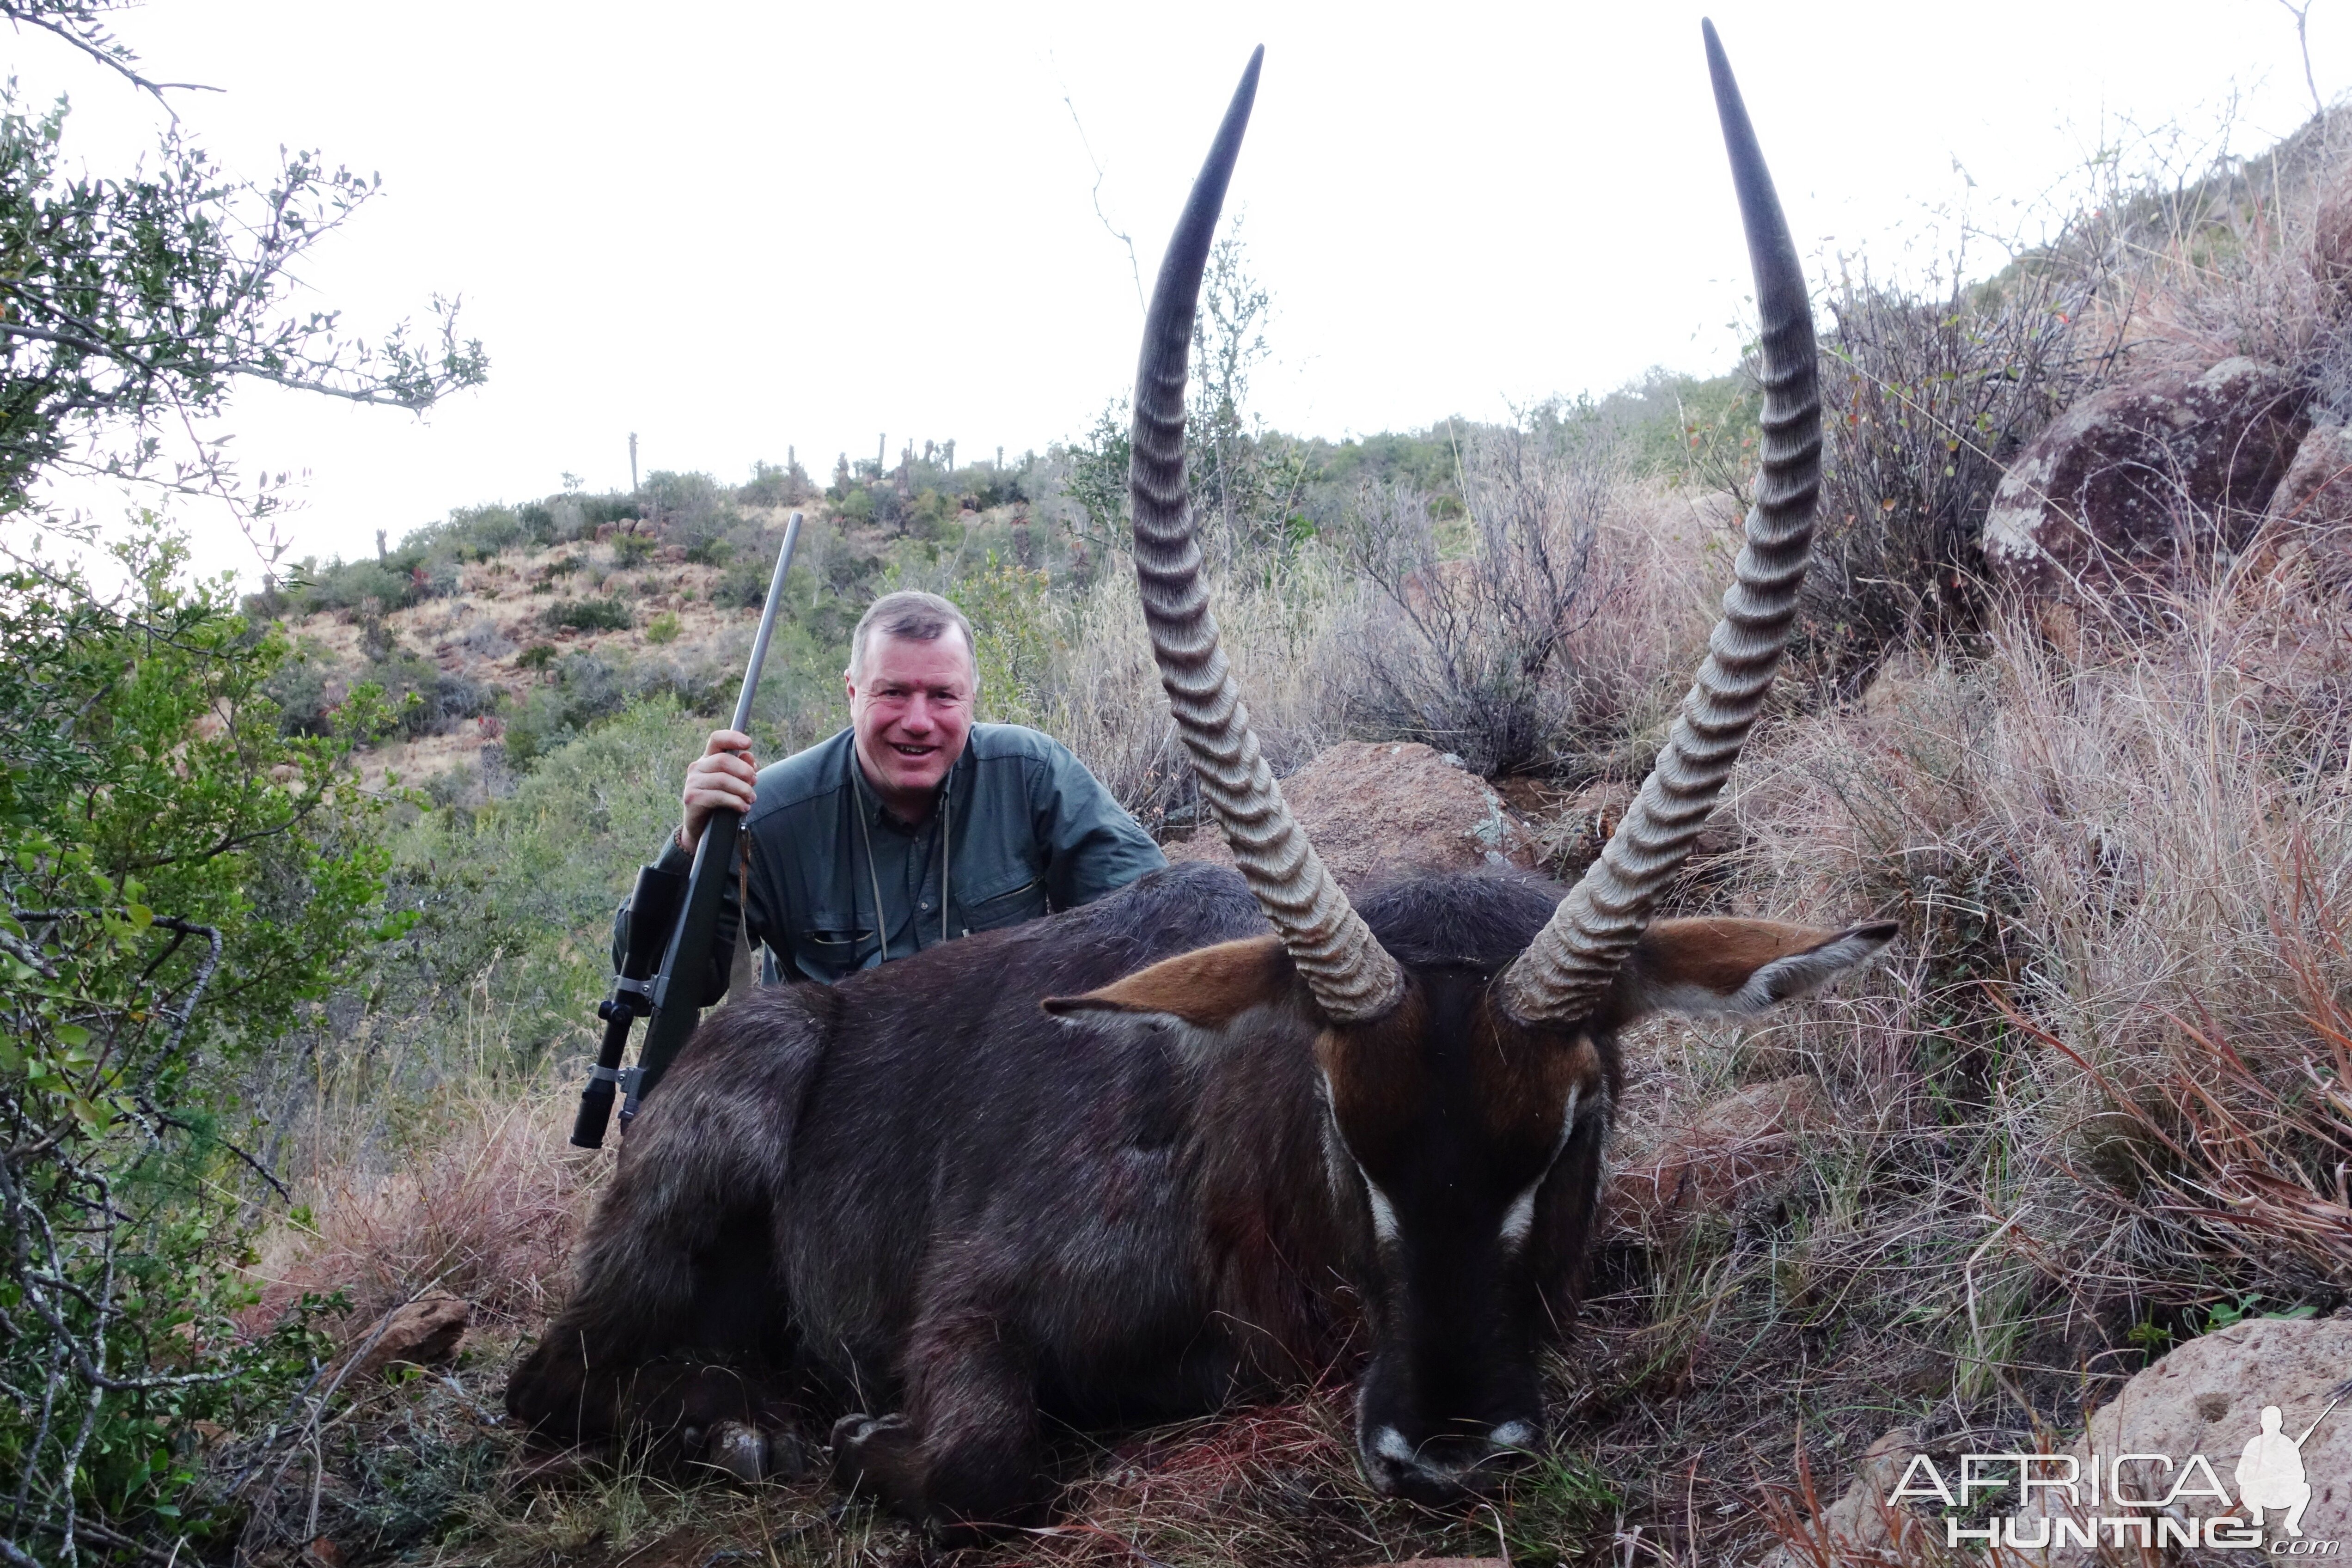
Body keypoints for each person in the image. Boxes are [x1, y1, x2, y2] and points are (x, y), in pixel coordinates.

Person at [617, 588, 1165, 998]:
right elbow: (650, 976)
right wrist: (691, 844)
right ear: (853, 692)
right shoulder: (768, 813)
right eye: (893, 692)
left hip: (1009, 1086)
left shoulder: (1032, 772)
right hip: (842, 1103)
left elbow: (1155, 913)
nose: (919, 721)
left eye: (943, 695)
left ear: (972, 696)